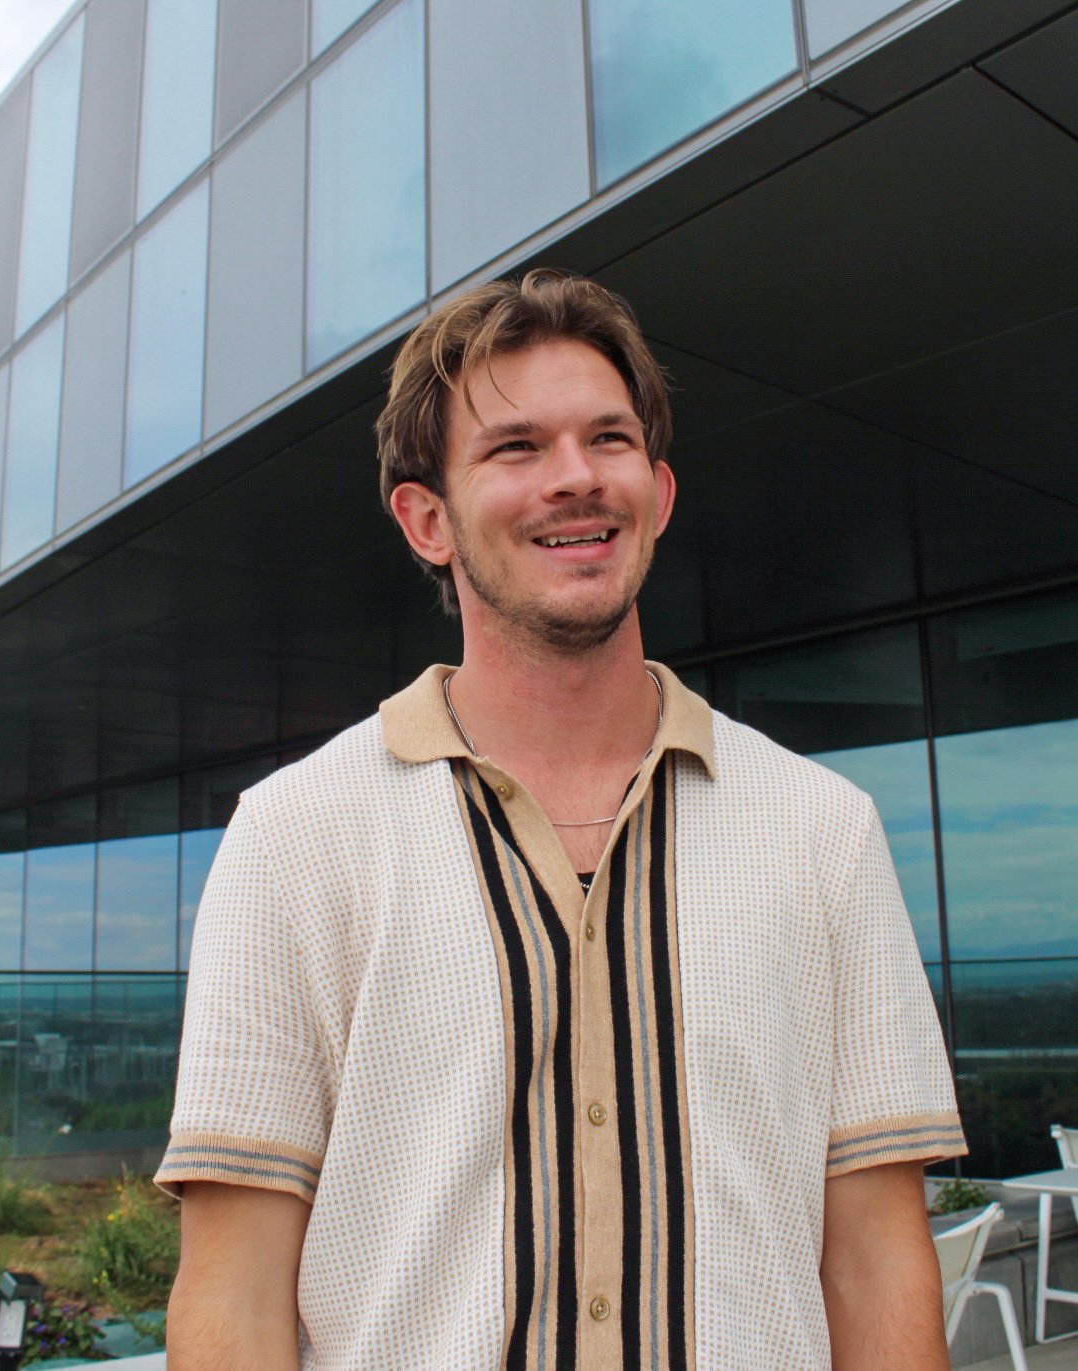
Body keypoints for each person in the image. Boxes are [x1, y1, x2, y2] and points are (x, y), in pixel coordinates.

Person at [161, 270, 966, 1370]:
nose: (575, 479)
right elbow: (235, 1289)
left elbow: (874, 1256)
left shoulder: (822, 830)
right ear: (426, 520)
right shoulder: (295, 834)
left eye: (607, 440)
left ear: (659, 491)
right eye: (515, 449)